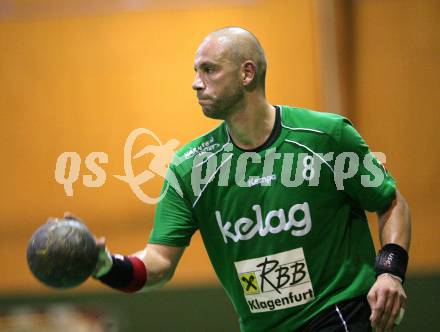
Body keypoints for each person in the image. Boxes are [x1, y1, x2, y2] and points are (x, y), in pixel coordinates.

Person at [91, 27, 411, 332]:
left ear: (247, 73)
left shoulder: (326, 136)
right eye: (195, 71)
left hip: (338, 312)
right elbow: (159, 262)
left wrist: (390, 272)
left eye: (209, 70)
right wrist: (107, 266)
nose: (195, 83)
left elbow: (391, 202)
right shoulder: (189, 168)